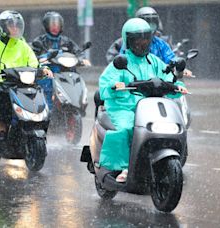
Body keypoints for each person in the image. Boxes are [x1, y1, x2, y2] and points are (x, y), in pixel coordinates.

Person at [98, 18, 188, 182]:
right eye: (137, 39)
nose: (142, 43)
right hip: (123, 106)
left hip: (148, 107)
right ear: (128, 41)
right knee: (126, 128)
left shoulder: (154, 61)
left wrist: (177, 86)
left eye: (146, 38)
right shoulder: (121, 62)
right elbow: (105, 84)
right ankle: (121, 167)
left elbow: (168, 78)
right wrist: (115, 85)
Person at [0, 10, 52, 140]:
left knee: (38, 95)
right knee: (0, 98)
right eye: (11, 25)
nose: (15, 28)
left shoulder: (23, 46)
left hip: (21, 82)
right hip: (1, 82)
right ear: (2, 28)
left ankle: (38, 123)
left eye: (17, 25)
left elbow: (33, 62)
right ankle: (1, 128)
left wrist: (43, 69)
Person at [31, 11, 90, 109]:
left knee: (76, 79)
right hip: (48, 72)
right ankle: (47, 109)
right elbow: (33, 56)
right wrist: (44, 58)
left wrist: (81, 59)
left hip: (65, 71)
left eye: (57, 25)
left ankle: (78, 103)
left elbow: (77, 51)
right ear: (46, 26)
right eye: (52, 25)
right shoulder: (40, 41)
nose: (55, 27)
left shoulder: (66, 41)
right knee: (46, 84)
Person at [105, 6, 174, 64]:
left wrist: (175, 67)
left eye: (152, 24)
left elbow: (171, 59)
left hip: (158, 78)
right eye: (146, 24)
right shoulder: (125, 42)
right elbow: (114, 62)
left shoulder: (160, 43)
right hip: (132, 77)